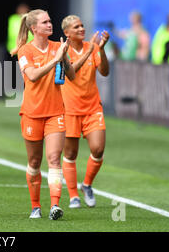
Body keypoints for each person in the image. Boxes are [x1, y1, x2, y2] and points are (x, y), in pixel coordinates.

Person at [13, 9, 75, 220]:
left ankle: (55, 206)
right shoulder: (25, 51)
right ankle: (35, 206)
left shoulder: (59, 46)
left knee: (54, 158)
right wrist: (54, 60)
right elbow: (31, 76)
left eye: (50, 21)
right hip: (31, 113)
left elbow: (72, 76)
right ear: (34, 28)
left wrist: (64, 58)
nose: (50, 24)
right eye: (45, 22)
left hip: (56, 112)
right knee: (34, 162)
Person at [59, 15, 110, 209]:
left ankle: (87, 184)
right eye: (76, 27)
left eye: (82, 25)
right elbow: (70, 75)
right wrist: (88, 52)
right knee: (70, 154)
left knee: (98, 149)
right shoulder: (62, 50)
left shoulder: (94, 47)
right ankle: (73, 196)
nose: (81, 29)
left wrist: (101, 50)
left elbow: (105, 72)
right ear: (67, 33)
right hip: (70, 109)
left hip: (92, 108)